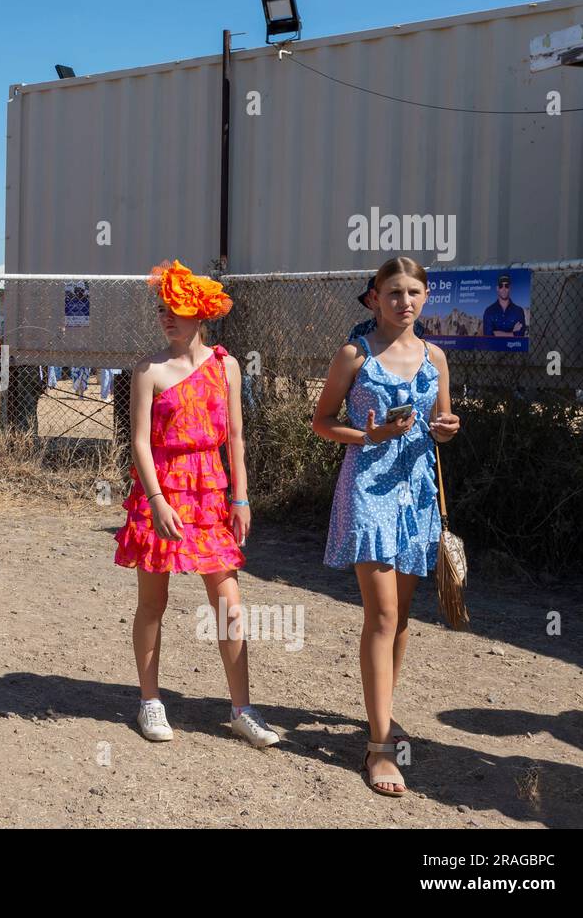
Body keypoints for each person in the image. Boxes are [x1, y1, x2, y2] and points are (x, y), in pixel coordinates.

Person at [114, 260, 279, 748]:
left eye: (178, 310)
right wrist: (158, 499)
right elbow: (140, 443)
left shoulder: (226, 365)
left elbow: (236, 438)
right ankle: (150, 701)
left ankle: (242, 709)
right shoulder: (148, 369)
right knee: (152, 602)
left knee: (228, 603)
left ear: (200, 313)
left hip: (211, 493)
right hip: (161, 492)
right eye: (163, 309)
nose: (167, 317)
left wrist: (242, 496)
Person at [313, 256, 461, 797]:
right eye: (393, 292)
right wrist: (368, 437)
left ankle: (381, 715)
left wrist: (448, 428)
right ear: (374, 297)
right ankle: (379, 748)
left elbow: (440, 427)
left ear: (426, 298)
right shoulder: (355, 354)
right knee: (381, 615)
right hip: (368, 490)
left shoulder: (436, 357)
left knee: (400, 622)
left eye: (413, 292)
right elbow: (323, 421)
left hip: (418, 493)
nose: (404, 301)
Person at [481, 273, 526, 338]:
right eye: (501, 286)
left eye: (506, 286)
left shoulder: (518, 311)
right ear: (497, 288)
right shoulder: (489, 311)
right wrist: (512, 333)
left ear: (510, 288)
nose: (504, 288)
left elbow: (520, 334)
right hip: (494, 348)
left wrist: (495, 333)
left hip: (513, 347)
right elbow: (488, 335)